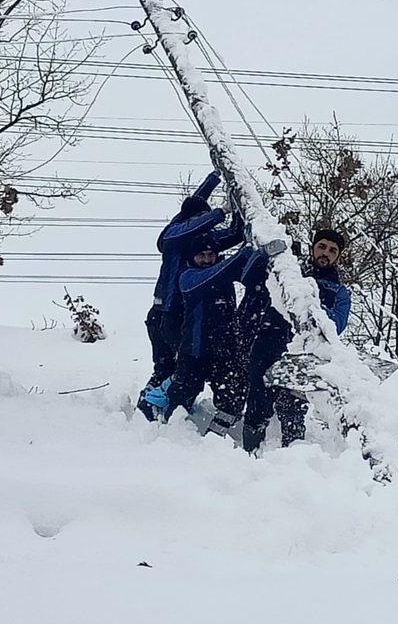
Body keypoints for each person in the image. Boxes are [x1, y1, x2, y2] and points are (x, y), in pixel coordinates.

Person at [137, 171, 243, 420]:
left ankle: (168, 404)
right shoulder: (173, 238)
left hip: (188, 317)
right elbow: (191, 214)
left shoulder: (201, 243)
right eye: (199, 221)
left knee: (187, 367)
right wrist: (218, 212)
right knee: (171, 367)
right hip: (166, 315)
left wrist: (229, 194)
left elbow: (235, 234)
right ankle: (149, 407)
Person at [239, 228, 351, 452]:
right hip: (269, 341)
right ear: (313, 248)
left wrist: (312, 309)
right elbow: (251, 278)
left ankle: (293, 459)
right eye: (322, 246)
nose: (325, 253)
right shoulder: (289, 272)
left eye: (332, 250)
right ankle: (249, 455)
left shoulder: (340, 292)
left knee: (293, 408)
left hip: (302, 355)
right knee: (258, 401)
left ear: (338, 257)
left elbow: (336, 326)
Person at [144, 234, 253, 436]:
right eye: (201, 255)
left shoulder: (222, 275)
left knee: (233, 396)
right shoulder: (188, 277)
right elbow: (215, 274)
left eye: (210, 254)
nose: (206, 259)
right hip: (194, 351)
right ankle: (161, 429)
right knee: (180, 399)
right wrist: (243, 254)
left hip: (223, 352)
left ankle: (214, 437)